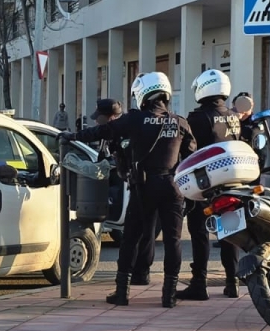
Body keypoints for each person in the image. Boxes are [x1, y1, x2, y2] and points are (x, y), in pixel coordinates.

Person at [65, 72, 195, 308]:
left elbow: (102, 131)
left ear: (142, 94)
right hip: (172, 187)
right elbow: (191, 157)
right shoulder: (180, 122)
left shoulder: (134, 119)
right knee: (173, 241)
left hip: (143, 187)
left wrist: (73, 136)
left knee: (131, 238)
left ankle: (122, 292)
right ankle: (169, 295)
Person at [180, 69, 243, 301]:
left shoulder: (197, 118)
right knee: (229, 232)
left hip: (204, 183)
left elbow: (188, 150)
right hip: (230, 182)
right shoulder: (233, 116)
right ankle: (232, 281)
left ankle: (199, 284)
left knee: (200, 233)